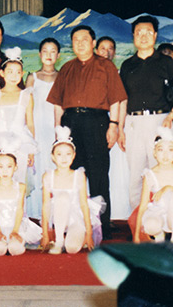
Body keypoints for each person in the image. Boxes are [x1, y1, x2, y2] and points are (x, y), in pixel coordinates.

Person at [47, 25, 127, 238]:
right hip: (70, 123)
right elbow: (58, 104)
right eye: (76, 39)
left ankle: (102, 226)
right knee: (71, 173)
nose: (80, 43)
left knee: (98, 174)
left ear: (93, 43)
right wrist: (58, 131)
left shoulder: (106, 66)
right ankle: (73, 223)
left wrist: (114, 125)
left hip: (97, 122)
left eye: (84, 39)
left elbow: (116, 99)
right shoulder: (67, 68)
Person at [119, 15, 173, 210]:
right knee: (136, 175)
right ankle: (138, 220)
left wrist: (172, 116)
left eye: (148, 32)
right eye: (139, 32)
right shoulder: (127, 65)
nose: (143, 36)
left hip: (160, 122)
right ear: (133, 36)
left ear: (155, 35)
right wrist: (121, 129)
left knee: (161, 171)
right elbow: (123, 99)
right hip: (133, 123)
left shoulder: (165, 62)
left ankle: (162, 218)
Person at [40, 126, 103, 254]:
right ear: (53, 157)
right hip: (58, 216)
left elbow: (84, 204)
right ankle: (58, 241)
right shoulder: (48, 176)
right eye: (59, 154)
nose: (64, 158)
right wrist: (45, 233)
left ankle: (72, 238)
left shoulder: (78, 176)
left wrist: (89, 233)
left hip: (75, 217)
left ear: (74, 156)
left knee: (72, 249)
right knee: (62, 197)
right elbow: (46, 205)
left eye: (68, 154)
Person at [134, 127, 173, 245]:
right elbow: (143, 205)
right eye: (161, 150)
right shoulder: (150, 174)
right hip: (159, 214)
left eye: (170, 150)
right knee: (150, 225)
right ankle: (159, 236)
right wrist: (136, 235)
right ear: (154, 153)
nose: (165, 155)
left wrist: (169, 188)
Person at [0, 47, 37, 185]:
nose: (13, 76)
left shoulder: (26, 96)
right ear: (2, 73)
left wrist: (31, 150)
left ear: (22, 74)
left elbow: (30, 123)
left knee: (18, 180)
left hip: (21, 142)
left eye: (18, 72)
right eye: (10, 72)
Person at [0, 149, 42, 256]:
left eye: (9, 166)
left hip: (16, 225)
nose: (5, 171)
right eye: (1, 166)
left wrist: (15, 231)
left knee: (15, 249)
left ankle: (15, 240)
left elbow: (19, 209)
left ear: (15, 167)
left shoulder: (20, 187)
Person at [97, 36, 132, 221]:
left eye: (110, 48)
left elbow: (122, 102)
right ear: (96, 51)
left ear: (115, 53)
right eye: (102, 48)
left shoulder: (118, 74)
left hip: (116, 125)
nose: (106, 52)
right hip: (97, 125)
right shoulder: (92, 73)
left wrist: (120, 128)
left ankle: (119, 214)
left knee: (118, 170)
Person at [25, 38, 60, 219]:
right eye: (45, 51)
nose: (48, 55)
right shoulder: (33, 77)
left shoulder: (62, 76)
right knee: (37, 165)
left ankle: (54, 214)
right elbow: (26, 106)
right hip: (36, 126)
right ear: (39, 54)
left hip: (54, 126)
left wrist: (59, 129)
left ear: (58, 55)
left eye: (53, 51)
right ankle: (35, 212)